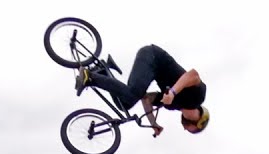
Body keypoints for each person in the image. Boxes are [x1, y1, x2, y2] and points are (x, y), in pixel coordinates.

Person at [78, 44, 209, 136]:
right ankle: (90, 76)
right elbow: (193, 75)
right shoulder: (198, 97)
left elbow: (146, 98)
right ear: (199, 123)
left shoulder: (173, 106)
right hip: (154, 57)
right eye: (192, 131)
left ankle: (102, 72)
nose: (186, 130)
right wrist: (173, 92)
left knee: (124, 104)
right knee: (131, 95)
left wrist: (153, 123)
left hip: (151, 70)